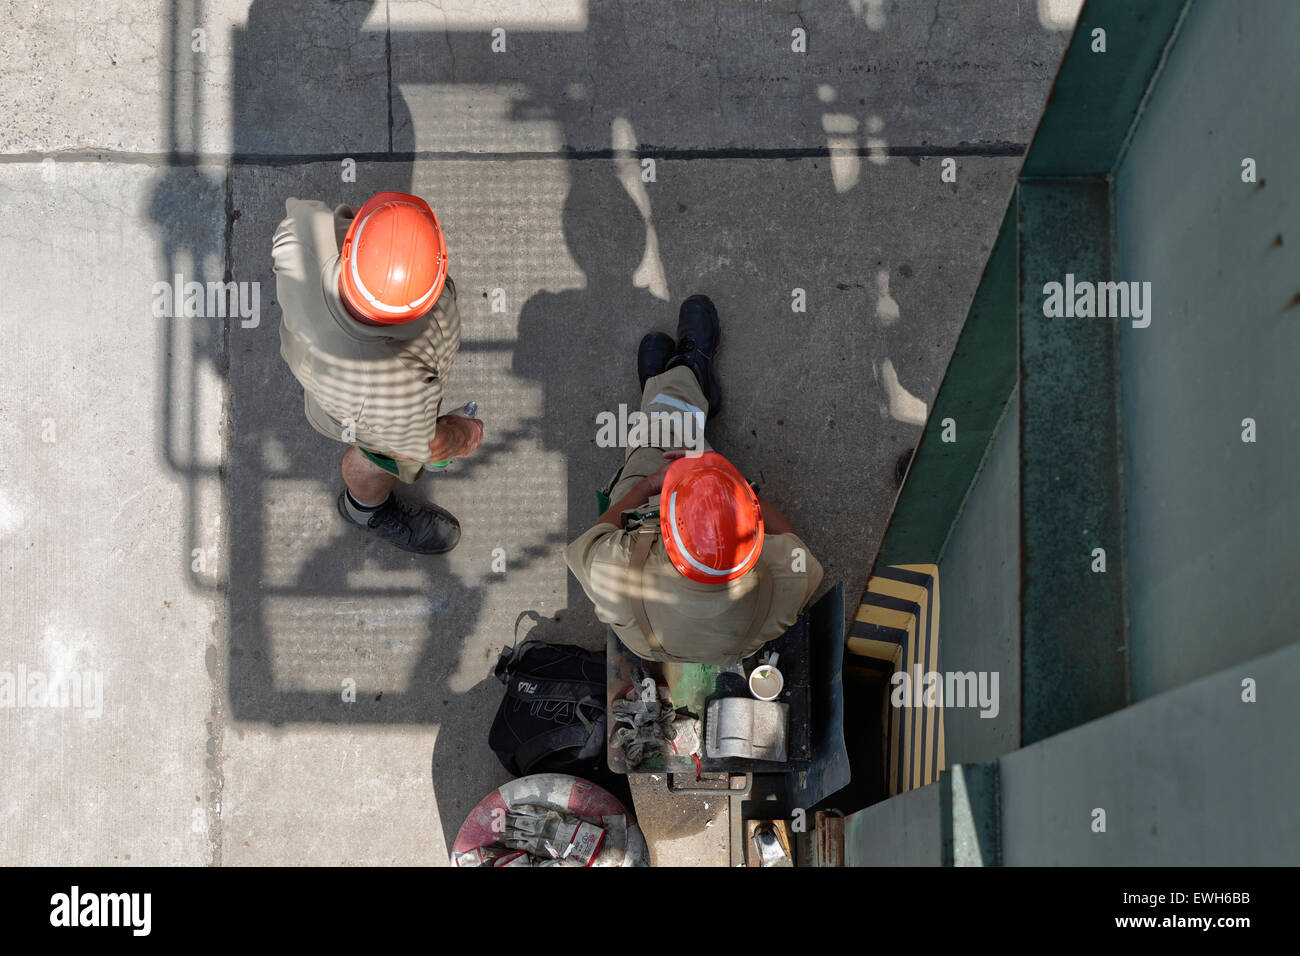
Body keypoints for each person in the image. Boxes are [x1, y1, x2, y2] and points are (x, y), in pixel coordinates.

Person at [565, 295, 823, 665]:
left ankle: (679, 380)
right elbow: (798, 549)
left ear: (664, 533)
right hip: (728, 649)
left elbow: (590, 541)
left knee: (655, 444)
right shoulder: (783, 576)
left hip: (649, 645)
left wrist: (652, 484)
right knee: (678, 432)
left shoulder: (617, 568)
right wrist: (731, 479)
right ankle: (684, 378)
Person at [272, 191, 483, 554]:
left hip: (319, 364)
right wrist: (462, 435)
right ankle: (365, 509)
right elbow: (426, 446)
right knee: (375, 461)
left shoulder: (302, 235)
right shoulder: (390, 388)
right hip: (361, 414)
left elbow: (336, 219)